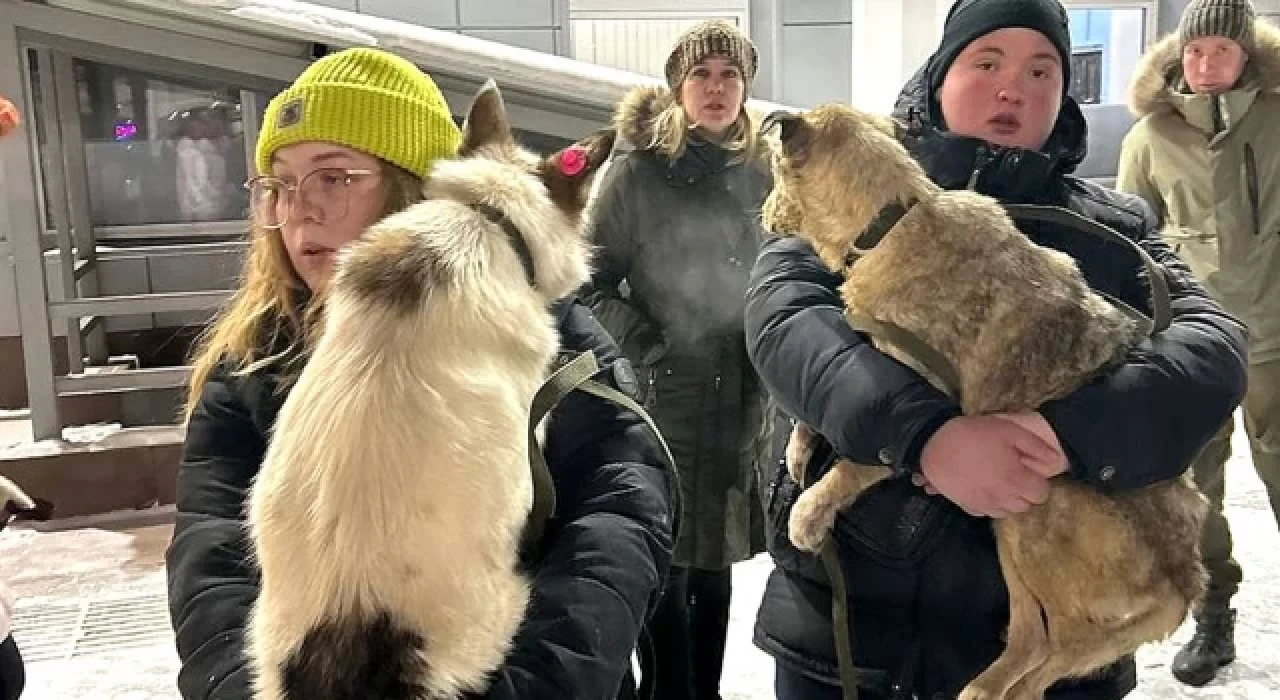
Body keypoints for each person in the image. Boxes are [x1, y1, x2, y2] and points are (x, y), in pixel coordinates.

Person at [743, 1, 1249, 699]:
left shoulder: (1112, 229)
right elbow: (788, 323)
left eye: (1042, 70)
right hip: (853, 629)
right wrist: (925, 435)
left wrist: (1071, 433)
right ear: (939, 78)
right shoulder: (854, 200)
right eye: (987, 63)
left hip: (1052, 656)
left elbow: (1213, 345)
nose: (1014, 87)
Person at [164, 47, 675, 700]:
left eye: (335, 178)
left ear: (419, 187)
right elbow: (211, 560)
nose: (300, 213)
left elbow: (616, 526)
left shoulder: (548, 341)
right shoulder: (254, 364)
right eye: (279, 185)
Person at [579, 19, 771, 700]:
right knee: (666, 559)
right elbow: (586, 279)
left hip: (741, 398)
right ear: (677, 88)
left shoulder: (765, 172)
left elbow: (789, 268)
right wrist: (646, 344)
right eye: (701, 75)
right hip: (665, 398)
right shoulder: (636, 172)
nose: (715, 89)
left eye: (729, 76)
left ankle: (706, 693)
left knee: (716, 561)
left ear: (745, 89)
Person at [1116, 0, 1280, 686]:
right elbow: (1128, 247)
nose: (1206, 64)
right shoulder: (1150, 136)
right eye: (1194, 52)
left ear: (1248, 55)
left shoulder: (1277, 121)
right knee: (1197, 488)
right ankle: (1216, 614)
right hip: (1194, 348)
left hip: (1276, 334)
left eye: (1220, 51)